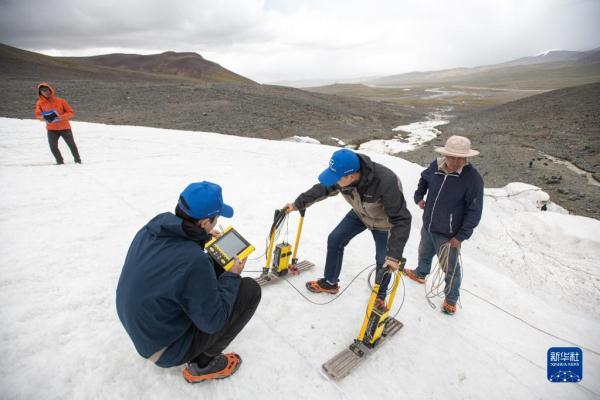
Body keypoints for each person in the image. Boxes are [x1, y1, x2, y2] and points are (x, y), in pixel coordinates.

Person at [116, 181, 261, 383]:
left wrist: (202, 237)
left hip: (145, 331)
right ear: (203, 222)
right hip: (165, 350)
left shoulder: (152, 229)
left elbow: (177, 264)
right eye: (215, 218)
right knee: (249, 290)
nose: (216, 222)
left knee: (213, 264)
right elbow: (214, 321)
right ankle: (203, 363)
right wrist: (232, 275)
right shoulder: (193, 261)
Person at [285, 149, 411, 304]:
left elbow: (401, 219)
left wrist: (394, 255)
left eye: (337, 178)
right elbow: (323, 188)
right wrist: (298, 204)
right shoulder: (344, 176)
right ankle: (330, 283)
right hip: (360, 214)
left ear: (351, 176)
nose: (335, 182)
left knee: (383, 261)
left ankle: (379, 297)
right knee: (335, 239)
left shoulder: (386, 181)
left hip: (384, 224)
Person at [404, 136, 484, 315]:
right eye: (452, 157)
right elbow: (424, 179)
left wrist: (460, 236)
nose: (456, 161)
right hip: (429, 225)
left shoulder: (473, 179)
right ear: (445, 154)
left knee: (451, 269)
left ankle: (451, 299)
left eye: (460, 158)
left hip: (449, 235)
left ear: (467, 158)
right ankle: (420, 274)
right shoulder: (436, 165)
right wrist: (419, 197)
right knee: (424, 252)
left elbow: (474, 211)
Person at [34, 82, 81, 165]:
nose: (45, 92)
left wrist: (61, 117)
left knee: (71, 145)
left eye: (47, 90)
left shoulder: (61, 101)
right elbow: (38, 115)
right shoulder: (40, 103)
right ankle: (59, 161)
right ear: (40, 92)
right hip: (51, 129)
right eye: (43, 91)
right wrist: (43, 118)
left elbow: (71, 112)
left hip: (65, 127)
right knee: (53, 147)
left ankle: (78, 161)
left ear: (50, 90)